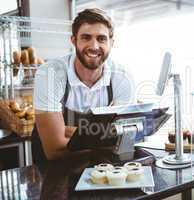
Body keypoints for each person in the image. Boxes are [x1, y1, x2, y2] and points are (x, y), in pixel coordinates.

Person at [32, 8, 135, 162]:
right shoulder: (50, 74)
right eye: (86, 37)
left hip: (100, 170)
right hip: (52, 169)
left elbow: (124, 140)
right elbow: (55, 149)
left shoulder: (122, 77)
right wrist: (103, 137)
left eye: (101, 39)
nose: (94, 46)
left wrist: (67, 131)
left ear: (111, 43)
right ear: (74, 41)